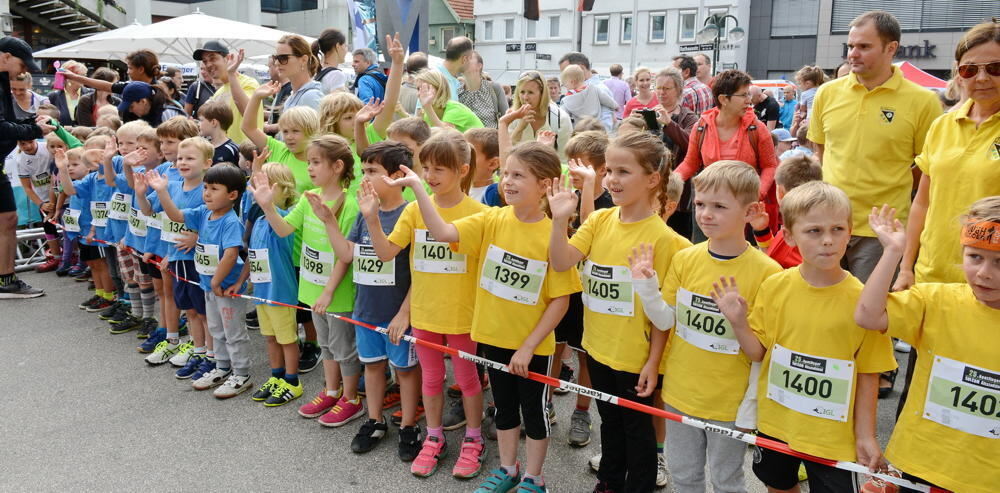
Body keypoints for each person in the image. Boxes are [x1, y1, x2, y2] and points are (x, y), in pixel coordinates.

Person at [397, 140, 580, 492]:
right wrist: (420, 190)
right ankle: (508, 469)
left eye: (518, 176)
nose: (507, 181)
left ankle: (534, 477)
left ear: (545, 185)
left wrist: (528, 347)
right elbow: (444, 232)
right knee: (505, 410)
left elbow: (560, 301)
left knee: (535, 416)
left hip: (532, 349)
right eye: (505, 173)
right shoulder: (491, 218)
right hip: (492, 338)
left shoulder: (552, 235)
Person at [713, 181, 896, 492]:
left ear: (850, 232)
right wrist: (740, 323)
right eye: (814, 231)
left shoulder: (865, 302)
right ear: (788, 235)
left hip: (831, 437)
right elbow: (759, 353)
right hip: (777, 423)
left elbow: (868, 372)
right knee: (778, 485)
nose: (828, 240)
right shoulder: (774, 287)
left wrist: (866, 435)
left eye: (837, 229)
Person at [548, 132, 688, 493]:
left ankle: (637, 485)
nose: (612, 179)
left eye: (623, 171)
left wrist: (653, 363)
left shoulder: (668, 242)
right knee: (609, 419)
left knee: (636, 430)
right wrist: (559, 220)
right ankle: (609, 480)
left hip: (634, 356)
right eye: (609, 170)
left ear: (653, 179)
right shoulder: (599, 221)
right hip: (597, 346)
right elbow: (562, 261)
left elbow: (665, 316)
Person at [364, 130, 488, 480]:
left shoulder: (480, 212)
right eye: (427, 168)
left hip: (464, 316)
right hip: (426, 313)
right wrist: (372, 218)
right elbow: (387, 253)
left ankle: (474, 439)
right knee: (431, 379)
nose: (430, 176)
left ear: (463, 170)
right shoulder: (414, 210)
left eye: (439, 170)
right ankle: (433, 437)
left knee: (466, 379)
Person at [855, 199, 1000, 493]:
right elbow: (868, 315)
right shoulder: (935, 301)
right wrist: (893, 253)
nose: (984, 273)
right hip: (921, 463)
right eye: (975, 257)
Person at [655, 161, 783, 493]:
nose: (705, 214)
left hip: (730, 403)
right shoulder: (685, 259)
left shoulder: (768, 273)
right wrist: (644, 288)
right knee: (684, 476)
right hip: (680, 393)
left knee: (726, 479)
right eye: (700, 204)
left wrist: (739, 322)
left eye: (719, 206)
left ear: (750, 210)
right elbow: (666, 321)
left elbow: (759, 353)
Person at [808, 10, 941, 283]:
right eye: (850, 46)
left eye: (864, 46)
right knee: (825, 306)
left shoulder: (923, 101)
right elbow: (821, 150)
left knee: (869, 315)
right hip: (828, 224)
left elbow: (926, 169)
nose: (852, 54)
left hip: (881, 230)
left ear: (891, 48)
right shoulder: (827, 93)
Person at [308, 141, 421, 460]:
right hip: (366, 311)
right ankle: (374, 420)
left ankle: (410, 425)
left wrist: (404, 312)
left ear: (398, 175)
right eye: (364, 171)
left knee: (406, 371)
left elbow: (421, 273)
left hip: (398, 313)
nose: (364, 179)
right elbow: (347, 254)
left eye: (373, 172)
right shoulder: (362, 214)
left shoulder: (409, 214)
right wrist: (329, 221)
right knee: (372, 367)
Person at [256, 135, 363, 427]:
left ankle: (352, 399)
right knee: (326, 345)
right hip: (313, 287)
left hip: (337, 292)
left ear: (338, 166)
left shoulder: (350, 205)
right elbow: (283, 230)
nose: (310, 167)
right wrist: (267, 207)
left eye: (316, 162)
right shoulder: (308, 197)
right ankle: (331, 390)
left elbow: (345, 256)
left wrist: (329, 291)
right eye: (310, 162)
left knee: (344, 348)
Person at [895, 20, 1000, 289]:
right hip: (931, 274)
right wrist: (906, 267)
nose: (982, 78)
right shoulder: (942, 125)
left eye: (995, 68)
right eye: (969, 69)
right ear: (958, 74)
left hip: (990, 283)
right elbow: (922, 203)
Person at [147, 163, 251, 397]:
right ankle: (222, 367)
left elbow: (231, 254)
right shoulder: (204, 213)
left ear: (232, 195)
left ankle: (242, 374)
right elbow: (176, 215)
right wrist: (162, 191)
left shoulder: (230, 222)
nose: (206, 193)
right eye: (205, 187)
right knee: (216, 329)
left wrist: (216, 281)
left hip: (225, 289)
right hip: (208, 286)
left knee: (233, 332)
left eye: (214, 189)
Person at [676, 70, 779, 242]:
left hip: (744, 206)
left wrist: (757, 193)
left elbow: (770, 165)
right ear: (724, 99)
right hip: (710, 205)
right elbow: (690, 163)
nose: (749, 100)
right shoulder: (701, 127)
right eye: (743, 95)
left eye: (748, 94)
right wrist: (672, 182)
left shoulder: (757, 129)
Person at [135, 137, 210, 369]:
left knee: (202, 311)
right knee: (188, 308)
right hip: (176, 259)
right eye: (180, 158)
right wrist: (140, 192)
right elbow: (148, 210)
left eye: (189, 158)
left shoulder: (207, 189)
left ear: (207, 163)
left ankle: (210, 353)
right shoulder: (172, 186)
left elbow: (212, 220)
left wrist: (196, 237)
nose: (182, 162)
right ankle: (197, 350)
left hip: (197, 260)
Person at [236, 162, 303, 405]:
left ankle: (293, 381)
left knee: (287, 338)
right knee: (270, 337)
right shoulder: (261, 221)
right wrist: (244, 281)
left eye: (265, 186)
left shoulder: (282, 219)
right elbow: (253, 257)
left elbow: (281, 231)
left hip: (280, 292)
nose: (257, 191)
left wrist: (268, 205)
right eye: (255, 185)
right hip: (262, 292)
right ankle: (277, 376)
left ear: (283, 189)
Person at [749, 155, 824, 269]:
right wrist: (762, 231)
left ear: (780, 192)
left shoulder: (797, 235)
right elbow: (775, 253)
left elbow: (774, 263)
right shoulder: (811, 227)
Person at [195, 41, 262, 144]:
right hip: (228, 154)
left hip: (249, 152)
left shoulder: (248, 83)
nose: (208, 64)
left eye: (212, 58)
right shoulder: (219, 92)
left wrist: (231, 73)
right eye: (205, 61)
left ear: (228, 58)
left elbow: (247, 112)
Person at [507, 71, 573, 161]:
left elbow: (564, 159)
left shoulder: (561, 118)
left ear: (542, 94)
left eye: (530, 92)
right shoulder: (511, 115)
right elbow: (506, 152)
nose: (525, 97)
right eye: (522, 92)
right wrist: (520, 128)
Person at [558, 52, 616, 130]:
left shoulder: (598, 90)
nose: (564, 77)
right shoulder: (578, 90)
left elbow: (605, 125)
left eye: (566, 71)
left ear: (581, 68)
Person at [414, 69, 484, 132]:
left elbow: (445, 136)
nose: (419, 93)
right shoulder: (428, 112)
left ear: (439, 88)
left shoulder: (455, 108)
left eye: (426, 88)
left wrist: (427, 107)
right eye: (418, 89)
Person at [459, 51, 508, 129]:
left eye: (469, 58)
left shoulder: (494, 88)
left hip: (490, 139)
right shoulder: (456, 91)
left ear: (479, 66)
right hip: (464, 140)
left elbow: (506, 118)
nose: (464, 61)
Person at [274, 34, 323, 112]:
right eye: (276, 58)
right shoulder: (294, 95)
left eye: (283, 58)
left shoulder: (310, 97)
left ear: (303, 60)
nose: (277, 63)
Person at [117, 81, 185, 126]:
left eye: (131, 107)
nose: (130, 110)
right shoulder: (130, 115)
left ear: (143, 101)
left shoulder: (168, 114)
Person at [197, 101, 240, 166]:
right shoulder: (203, 147)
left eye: (201, 120)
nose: (198, 124)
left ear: (214, 122)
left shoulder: (232, 150)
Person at [47, 60, 88, 126]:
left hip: (85, 134)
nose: (83, 78)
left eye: (85, 75)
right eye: (80, 75)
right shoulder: (53, 96)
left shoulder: (90, 94)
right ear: (68, 77)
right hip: (61, 135)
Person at [313, 28, 350, 94]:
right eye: (345, 46)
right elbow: (336, 104)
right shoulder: (336, 75)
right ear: (338, 46)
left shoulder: (316, 71)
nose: (346, 50)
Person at [438, 37, 474, 102]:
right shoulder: (434, 78)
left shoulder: (454, 80)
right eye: (471, 58)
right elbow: (420, 111)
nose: (471, 62)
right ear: (464, 59)